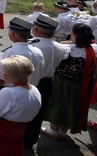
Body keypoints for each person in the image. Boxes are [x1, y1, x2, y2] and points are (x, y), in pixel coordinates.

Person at [43, 23, 97, 139]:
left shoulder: (67, 49)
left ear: (74, 35)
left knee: (59, 104)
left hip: (64, 82)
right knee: (74, 105)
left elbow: (56, 62)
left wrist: (64, 44)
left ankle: (53, 130)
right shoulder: (94, 49)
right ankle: (63, 131)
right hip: (84, 84)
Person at [24, 15, 69, 148]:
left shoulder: (30, 45)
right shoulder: (60, 47)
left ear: (35, 30)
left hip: (30, 81)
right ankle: (31, 139)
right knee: (39, 112)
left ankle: (22, 138)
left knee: (24, 111)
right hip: (47, 83)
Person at [0, 17, 44, 106]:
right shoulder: (37, 51)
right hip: (30, 92)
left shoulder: (8, 53)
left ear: (13, 35)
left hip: (8, 93)